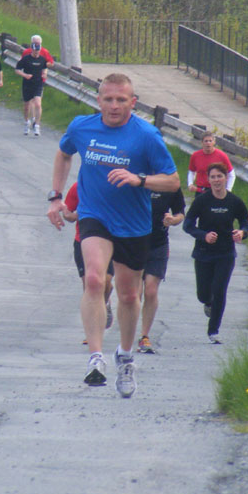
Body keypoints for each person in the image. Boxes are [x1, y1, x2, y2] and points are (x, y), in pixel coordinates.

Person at [47, 73, 180, 397]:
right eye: (108, 99)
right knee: (93, 279)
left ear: (133, 102)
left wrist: (139, 179)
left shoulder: (146, 136)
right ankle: (95, 358)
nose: (115, 105)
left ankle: (124, 355)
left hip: (133, 225)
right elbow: (64, 153)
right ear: (99, 101)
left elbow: (173, 181)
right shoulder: (82, 127)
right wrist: (56, 195)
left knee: (129, 296)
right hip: (95, 217)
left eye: (122, 100)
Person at [183, 162, 248, 344]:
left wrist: (241, 232)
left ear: (226, 178)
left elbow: (246, 222)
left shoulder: (234, 201)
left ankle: (213, 331)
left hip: (225, 253)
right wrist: (203, 235)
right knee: (204, 294)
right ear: (208, 179)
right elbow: (187, 225)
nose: (216, 180)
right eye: (212, 177)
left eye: (219, 176)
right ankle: (208, 302)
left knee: (219, 290)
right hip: (204, 252)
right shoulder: (202, 201)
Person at [62, 181, 115, 337]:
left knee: (106, 282)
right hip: (83, 240)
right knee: (90, 285)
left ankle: (104, 303)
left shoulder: (115, 184)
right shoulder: (80, 186)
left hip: (110, 239)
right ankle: (92, 331)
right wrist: (77, 213)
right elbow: (69, 214)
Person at [137, 187, 185, 354]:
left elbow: (180, 213)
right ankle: (127, 333)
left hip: (158, 244)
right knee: (135, 294)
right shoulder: (136, 177)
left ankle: (144, 335)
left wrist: (172, 220)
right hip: (134, 242)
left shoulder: (170, 183)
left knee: (150, 291)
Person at [15, 43, 50, 136]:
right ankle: (27, 122)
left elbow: (45, 68)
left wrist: (44, 73)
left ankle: (37, 125)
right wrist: (25, 75)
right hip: (27, 84)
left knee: (38, 104)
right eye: (35, 50)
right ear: (32, 50)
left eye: (38, 50)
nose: (36, 52)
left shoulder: (42, 59)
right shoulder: (26, 59)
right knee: (27, 106)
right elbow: (17, 70)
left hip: (38, 83)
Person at [188, 131, 235, 195]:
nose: (208, 143)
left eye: (210, 141)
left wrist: (228, 190)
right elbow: (192, 172)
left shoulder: (222, 156)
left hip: (217, 190)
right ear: (202, 143)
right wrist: (190, 184)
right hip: (201, 190)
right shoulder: (195, 156)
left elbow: (231, 174)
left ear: (214, 142)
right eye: (206, 141)